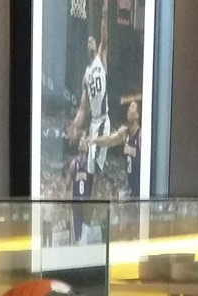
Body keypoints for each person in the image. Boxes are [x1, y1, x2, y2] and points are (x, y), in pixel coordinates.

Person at [67, 0, 111, 178]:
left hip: (103, 120)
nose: (91, 41)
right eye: (89, 41)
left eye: (93, 40)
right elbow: (82, 109)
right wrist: (74, 126)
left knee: (97, 170)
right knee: (90, 169)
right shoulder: (86, 75)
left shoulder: (101, 58)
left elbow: (104, 36)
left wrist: (104, 14)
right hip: (93, 123)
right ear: (87, 48)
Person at [90, 99, 141, 199]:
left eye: (132, 107)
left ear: (137, 115)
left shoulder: (140, 136)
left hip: (140, 183)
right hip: (130, 184)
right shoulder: (125, 133)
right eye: (129, 107)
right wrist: (95, 140)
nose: (129, 109)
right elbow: (109, 140)